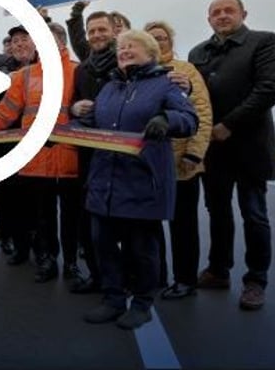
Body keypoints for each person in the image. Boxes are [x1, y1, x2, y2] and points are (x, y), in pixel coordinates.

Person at [80, 29, 198, 330]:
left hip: (142, 182)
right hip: (104, 182)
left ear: (150, 53)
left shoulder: (165, 84)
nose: (124, 49)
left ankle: (143, 303)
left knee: (142, 250)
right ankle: (113, 299)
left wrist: (167, 120)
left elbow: (189, 118)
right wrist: (61, 131)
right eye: (121, 46)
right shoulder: (108, 87)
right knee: (103, 245)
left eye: (132, 45)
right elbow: (90, 123)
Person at [188, 0, 275, 311]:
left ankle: (256, 280)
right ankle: (218, 270)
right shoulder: (198, 53)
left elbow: (269, 88)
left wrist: (229, 124)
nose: (222, 15)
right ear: (208, 19)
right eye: (215, 12)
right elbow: (193, 96)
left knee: (254, 214)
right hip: (212, 150)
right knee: (217, 212)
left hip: (250, 146)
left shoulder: (264, 42)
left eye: (229, 10)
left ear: (243, 13)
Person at [0, 22, 78, 283]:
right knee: (43, 217)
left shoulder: (78, 71)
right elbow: (4, 113)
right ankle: (48, 259)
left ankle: (72, 264)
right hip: (36, 159)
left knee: (72, 217)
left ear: (62, 43)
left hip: (70, 156)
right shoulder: (24, 76)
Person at [143, 20, 213, 300]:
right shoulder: (138, 74)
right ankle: (155, 275)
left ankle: (185, 280)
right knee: (149, 226)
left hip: (181, 163)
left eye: (162, 38)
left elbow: (203, 114)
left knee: (183, 226)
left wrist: (195, 152)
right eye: (151, 38)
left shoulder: (187, 72)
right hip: (147, 163)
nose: (157, 42)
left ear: (170, 42)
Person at [67, 11, 120, 293]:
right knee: (89, 218)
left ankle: (129, 280)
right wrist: (75, 108)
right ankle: (98, 276)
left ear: (114, 31)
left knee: (124, 222)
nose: (97, 35)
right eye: (92, 31)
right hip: (89, 154)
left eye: (102, 30)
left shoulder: (127, 62)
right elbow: (73, 101)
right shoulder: (82, 69)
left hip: (121, 154)